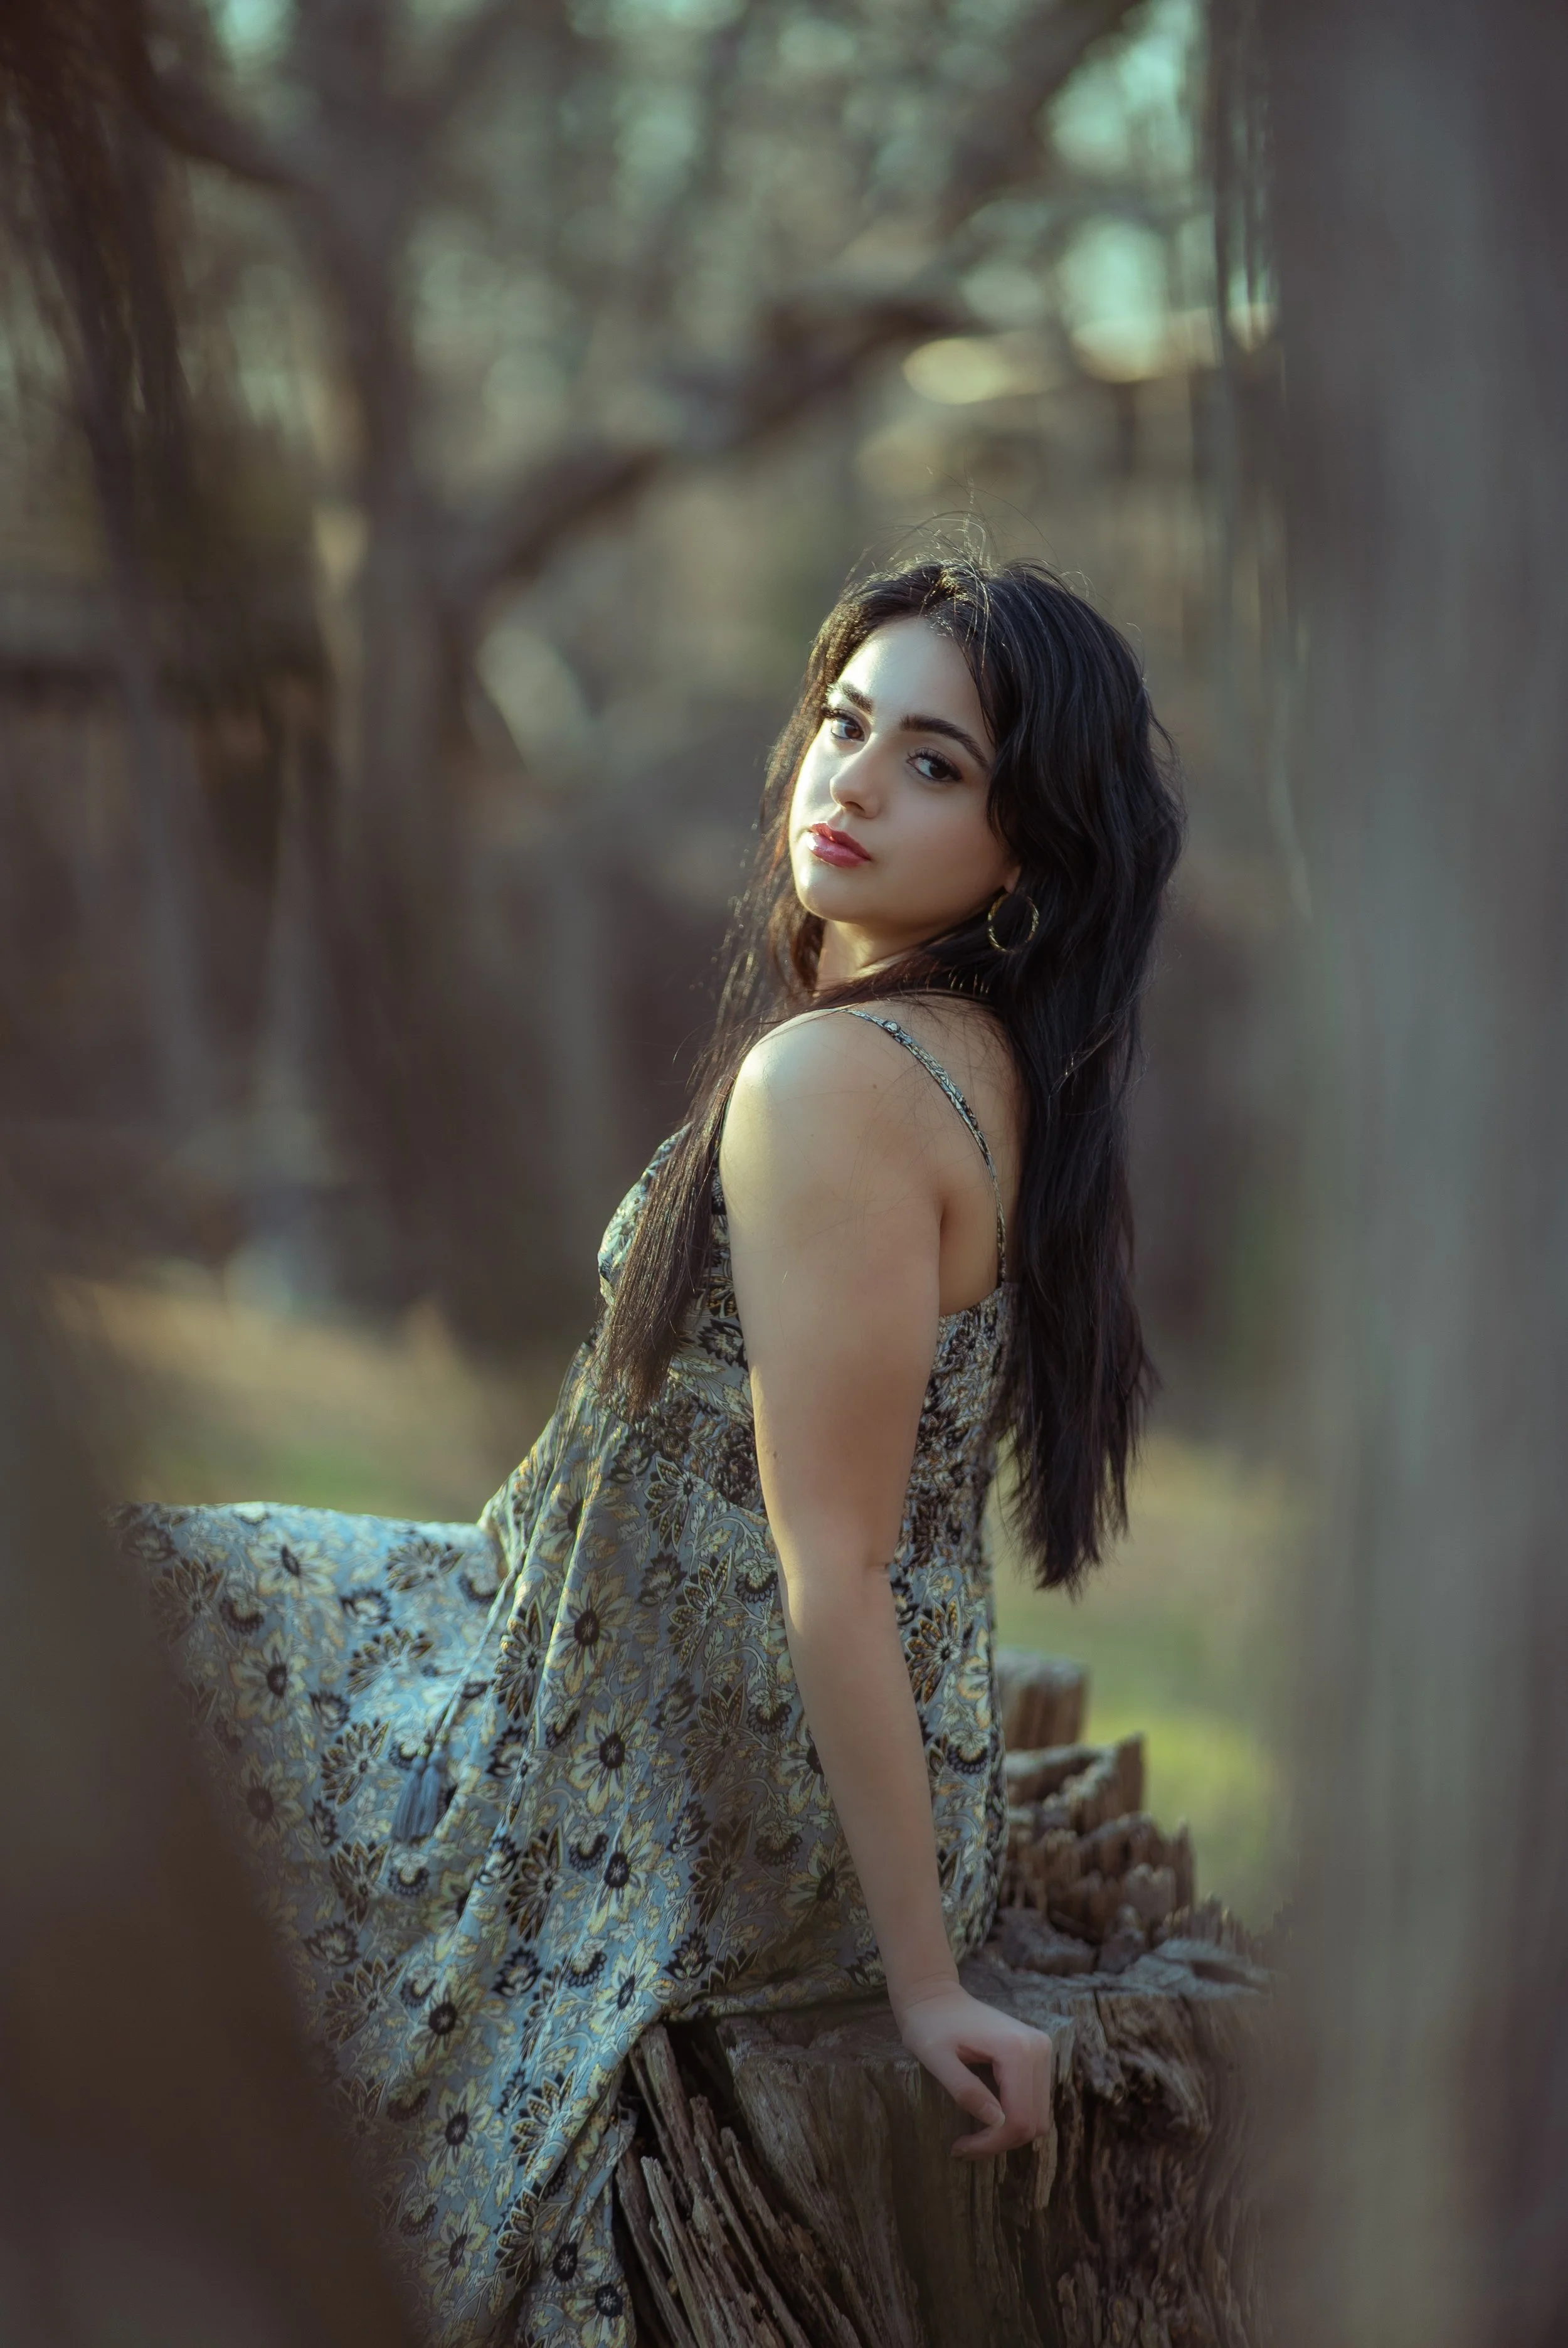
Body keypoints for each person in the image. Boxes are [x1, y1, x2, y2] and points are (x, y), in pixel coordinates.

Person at [115, 556, 1183, 2347]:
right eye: (845, 723)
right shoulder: (974, 1052)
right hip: (727, 1709)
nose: (848, 783)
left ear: (1032, 845)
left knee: (127, 1611)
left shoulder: (836, 1088)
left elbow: (826, 1558)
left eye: (936, 764)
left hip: (684, 1762)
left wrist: (922, 1989)